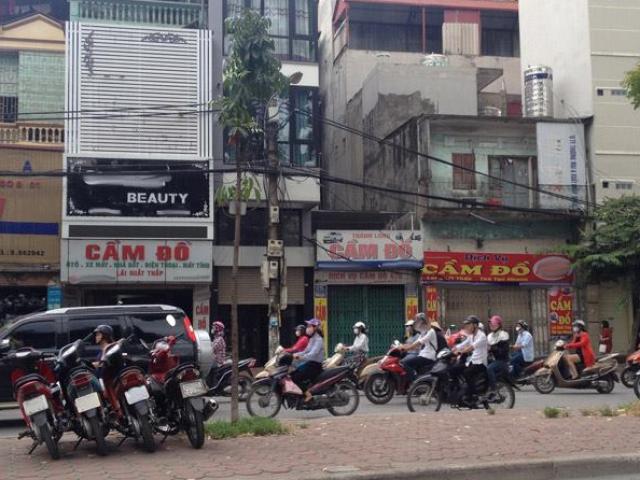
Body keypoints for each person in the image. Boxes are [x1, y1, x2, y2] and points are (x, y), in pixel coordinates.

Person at [453, 315, 488, 402]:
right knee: (456, 369)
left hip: (480, 363)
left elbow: (471, 347)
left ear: (475, 325)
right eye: (466, 325)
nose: (467, 327)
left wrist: (461, 351)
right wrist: (453, 350)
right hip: (473, 361)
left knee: (467, 373)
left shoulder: (481, 336)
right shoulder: (471, 335)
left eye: (469, 325)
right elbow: (463, 344)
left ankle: (473, 393)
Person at [292, 318, 325, 402]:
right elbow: (306, 351)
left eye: (310, 326)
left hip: (315, 366)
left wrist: (301, 357)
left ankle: (308, 395)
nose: (308, 328)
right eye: (308, 326)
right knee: (293, 373)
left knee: (296, 377)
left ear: (315, 328)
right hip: (310, 363)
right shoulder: (312, 339)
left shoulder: (319, 340)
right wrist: (295, 354)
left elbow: (312, 354)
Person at [397, 313, 436, 382]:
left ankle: (416, 380)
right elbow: (414, 343)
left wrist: (406, 348)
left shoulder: (431, 332)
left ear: (423, 322)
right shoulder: (423, 332)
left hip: (428, 356)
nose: (418, 324)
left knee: (404, 363)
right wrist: (401, 346)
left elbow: (418, 343)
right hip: (423, 354)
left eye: (418, 321)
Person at [486, 315, 510, 391]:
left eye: (494, 324)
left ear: (499, 325)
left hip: (502, 361)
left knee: (488, 369)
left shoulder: (503, 335)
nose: (491, 325)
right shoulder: (490, 336)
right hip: (494, 360)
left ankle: (494, 389)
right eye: (491, 324)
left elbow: (503, 351)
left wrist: (492, 348)